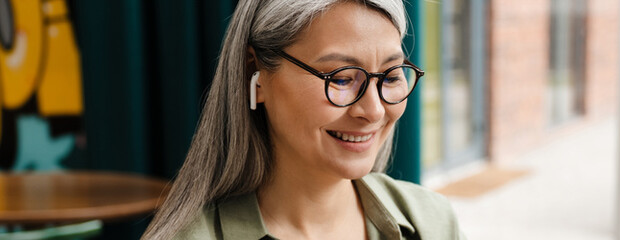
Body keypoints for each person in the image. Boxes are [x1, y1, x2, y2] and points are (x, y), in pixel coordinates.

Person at [141, 0, 463, 239]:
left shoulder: (434, 223)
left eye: (391, 75)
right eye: (340, 78)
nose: (374, 111)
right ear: (255, 72)